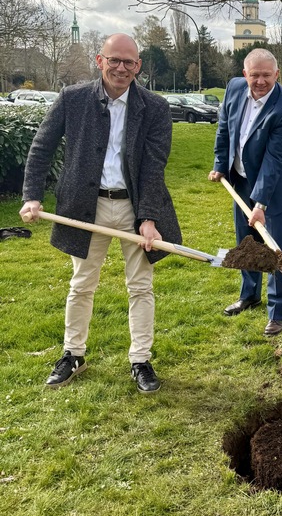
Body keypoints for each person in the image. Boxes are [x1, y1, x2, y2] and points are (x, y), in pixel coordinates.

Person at [20, 33, 182, 393]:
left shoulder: (154, 107)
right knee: (81, 285)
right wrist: (32, 196)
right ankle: (73, 354)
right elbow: (41, 147)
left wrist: (149, 218)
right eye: (115, 60)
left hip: (133, 207)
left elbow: (154, 166)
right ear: (100, 61)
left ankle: (141, 359)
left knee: (141, 286)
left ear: (138, 66)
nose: (121, 68)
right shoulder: (72, 99)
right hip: (83, 207)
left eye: (129, 62)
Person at [209, 49, 282, 336]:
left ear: (277, 75)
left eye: (267, 75)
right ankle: (249, 294)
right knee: (246, 243)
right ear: (245, 75)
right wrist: (220, 164)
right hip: (241, 178)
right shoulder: (234, 88)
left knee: (276, 248)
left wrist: (261, 202)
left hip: (277, 187)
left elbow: (274, 160)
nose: (261, 81)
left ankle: (278, 310)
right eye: (255, 75)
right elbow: (225, 128)